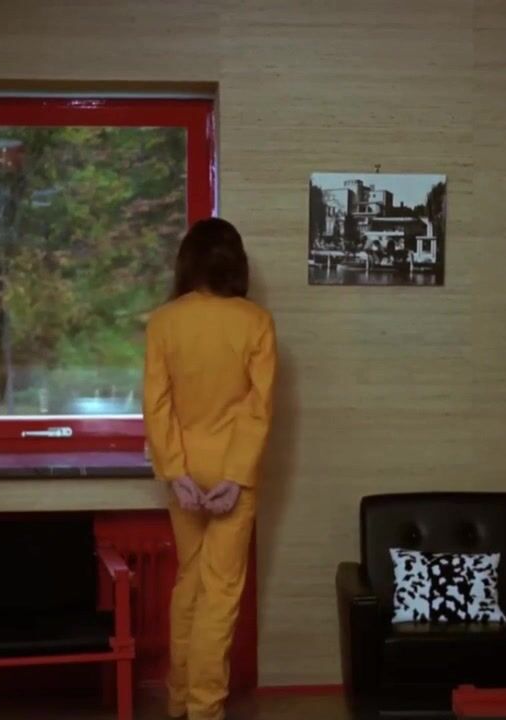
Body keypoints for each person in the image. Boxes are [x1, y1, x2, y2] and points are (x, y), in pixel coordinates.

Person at [143, 218, 277, 720]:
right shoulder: (255, 322)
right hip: (231, 471)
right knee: (220, 592)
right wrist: (236, 477)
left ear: (187, 263)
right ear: (236, 264)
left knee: (190, 581)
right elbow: (258, 409)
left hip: (184, 468)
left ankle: (179, 697)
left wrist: (175, 472)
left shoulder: (164, 322)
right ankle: (205, 708)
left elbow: (156, 404)